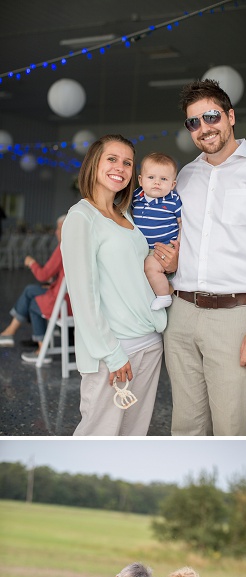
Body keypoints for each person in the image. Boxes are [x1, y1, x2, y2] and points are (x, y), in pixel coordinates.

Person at [152, 79, 246, 436]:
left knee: (233, 427)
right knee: (184, 425)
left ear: (230, 116)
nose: (203, 128)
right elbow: (176, 236)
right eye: (193, 122)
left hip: (236, 318)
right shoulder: (185, 176)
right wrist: (168, 262)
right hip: (180, 315)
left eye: (210, 116)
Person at [62, 135, 168, 436]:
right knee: (98, 435)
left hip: (149, 340)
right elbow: (83, 296)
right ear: (94, 163)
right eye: (112, 159)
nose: (119, 167)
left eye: (127, 162)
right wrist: (112, 354)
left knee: (134, 435)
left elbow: (138, 272)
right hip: (116, 348)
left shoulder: (127, 216)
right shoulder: (81, 217)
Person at [0, 215, 69, 359]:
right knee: (30, 290)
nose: (56, 232)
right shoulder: (79, 247)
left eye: (59, 228)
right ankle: (9, 332)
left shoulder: (64, 246)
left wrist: (31, 263)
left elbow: (43, 275)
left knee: (33, 302)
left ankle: (41, 351)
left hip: (63, 303)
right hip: (73, 300)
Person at [131, 152, 181, 311]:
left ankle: (164, 296)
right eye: (151, 177)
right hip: (142, 248)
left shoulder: (173, 200)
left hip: (163, 248)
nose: (157, 183)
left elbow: (183, 224)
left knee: (151, 268)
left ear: (172, 184)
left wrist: (178, 244)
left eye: (163, 179)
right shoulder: (136, 197)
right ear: (141, 180)